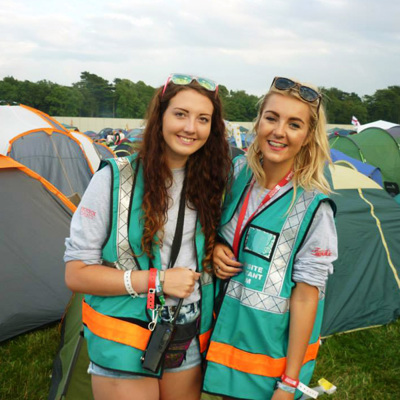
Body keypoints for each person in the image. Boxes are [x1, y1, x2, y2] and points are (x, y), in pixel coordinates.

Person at [64, 73, 231, 400]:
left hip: (188, 327)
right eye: (180, 114)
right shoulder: (113, 179)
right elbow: (76, 274)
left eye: (203, 119)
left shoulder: (213, 184)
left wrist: (219, 246)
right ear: (160, 117)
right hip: (125, 328)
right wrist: (157, 279)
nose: (190, 127)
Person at [203, 77, 338, 400]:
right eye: (272, 118)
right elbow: (213, 229)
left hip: (266, 368)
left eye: (294, 124)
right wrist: (216, 246)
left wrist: (289, 384)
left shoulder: (314, 208)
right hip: (214, 345)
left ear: (307, 137)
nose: (279, 132)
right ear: (259, 121)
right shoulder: (237, 173)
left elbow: (307, 298)